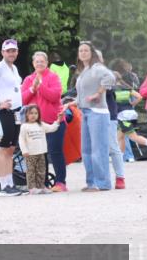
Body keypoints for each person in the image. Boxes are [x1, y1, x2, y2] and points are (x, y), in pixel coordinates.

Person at [21, 51, 66, 191]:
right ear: (33, 63)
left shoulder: (53, 77)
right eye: (37, 61)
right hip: (35, 125)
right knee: (39, 153)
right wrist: (32, 89)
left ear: (47, 63)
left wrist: (40, 86)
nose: (39, 63)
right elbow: (22, 99)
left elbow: (55, 96)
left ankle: (60, 182)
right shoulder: (29, 79)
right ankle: (43, 183)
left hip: (54, 121)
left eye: (42, 61)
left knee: (55, 151)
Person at [0, 39, 25, 197]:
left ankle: (10, 183)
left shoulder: (14, 68)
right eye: (8, 51)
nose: (11, 53)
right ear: (3, 52)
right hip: (5, 113)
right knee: (3, 149)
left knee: (10, 149)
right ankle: (3, 184)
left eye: (14, 50)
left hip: (16, 112)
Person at [75, 42, 115, 192]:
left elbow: (111, 78)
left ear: (92, 53)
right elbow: (83, 95)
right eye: (81, 51)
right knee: (86, 150)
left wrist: (99, 93)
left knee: (99, 149)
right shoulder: (85, 70)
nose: (83, 53)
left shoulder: (97, 68)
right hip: (85, 111)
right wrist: (71, 103)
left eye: (86, 50)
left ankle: (102, 183)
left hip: (97, 113)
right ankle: (92, 182)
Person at [19, 105, 60, 195]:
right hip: (30, 154)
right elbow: (21, 139)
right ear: (26, 115)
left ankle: (41, 186)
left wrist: (58, 121)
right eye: (31, 113)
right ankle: (32, 188)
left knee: (41, 171)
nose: (33, 115)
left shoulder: (41, 124)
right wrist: (24, 150)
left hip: (41, 152)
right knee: (31, 171)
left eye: (36, 113)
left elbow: (51, 128)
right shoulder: (24, 126)